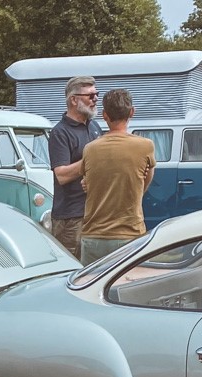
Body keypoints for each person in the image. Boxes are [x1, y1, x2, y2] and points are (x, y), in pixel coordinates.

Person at [79, 88, 156, 265]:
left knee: (88, 289)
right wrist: (137, 192)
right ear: (132, 112)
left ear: (105, 115)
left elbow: (86, 182)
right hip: (129, 235)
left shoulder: (90, 149)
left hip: (94, 234)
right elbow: (147, 177)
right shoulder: (145, 146)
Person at [48, 75, 103, 260]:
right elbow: (62, 175)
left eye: (96, 94)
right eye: (90, 96)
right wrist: (92, 158)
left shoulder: (94, 126)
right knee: (70, 271)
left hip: (95, 212)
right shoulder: (60, 132)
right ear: (73, 100)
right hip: (70, 218)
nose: (95, 99)